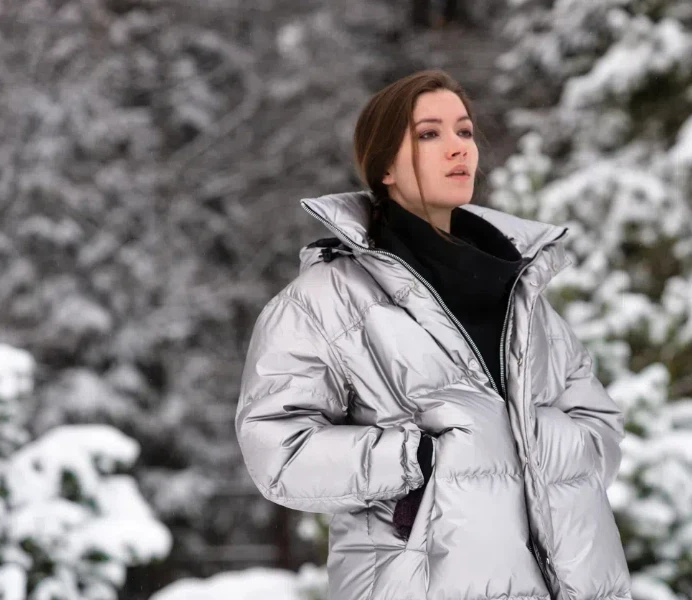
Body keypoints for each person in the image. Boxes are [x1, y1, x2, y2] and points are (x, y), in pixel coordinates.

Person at [235, 69, 632, 600]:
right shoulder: (323, 301)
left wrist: (539, 450)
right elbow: (278, 451)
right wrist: (417, 460)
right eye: (429, 134)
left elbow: (598, 423)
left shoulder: (519, 289)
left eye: (464, 132)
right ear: (384, 166)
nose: (457, 148)